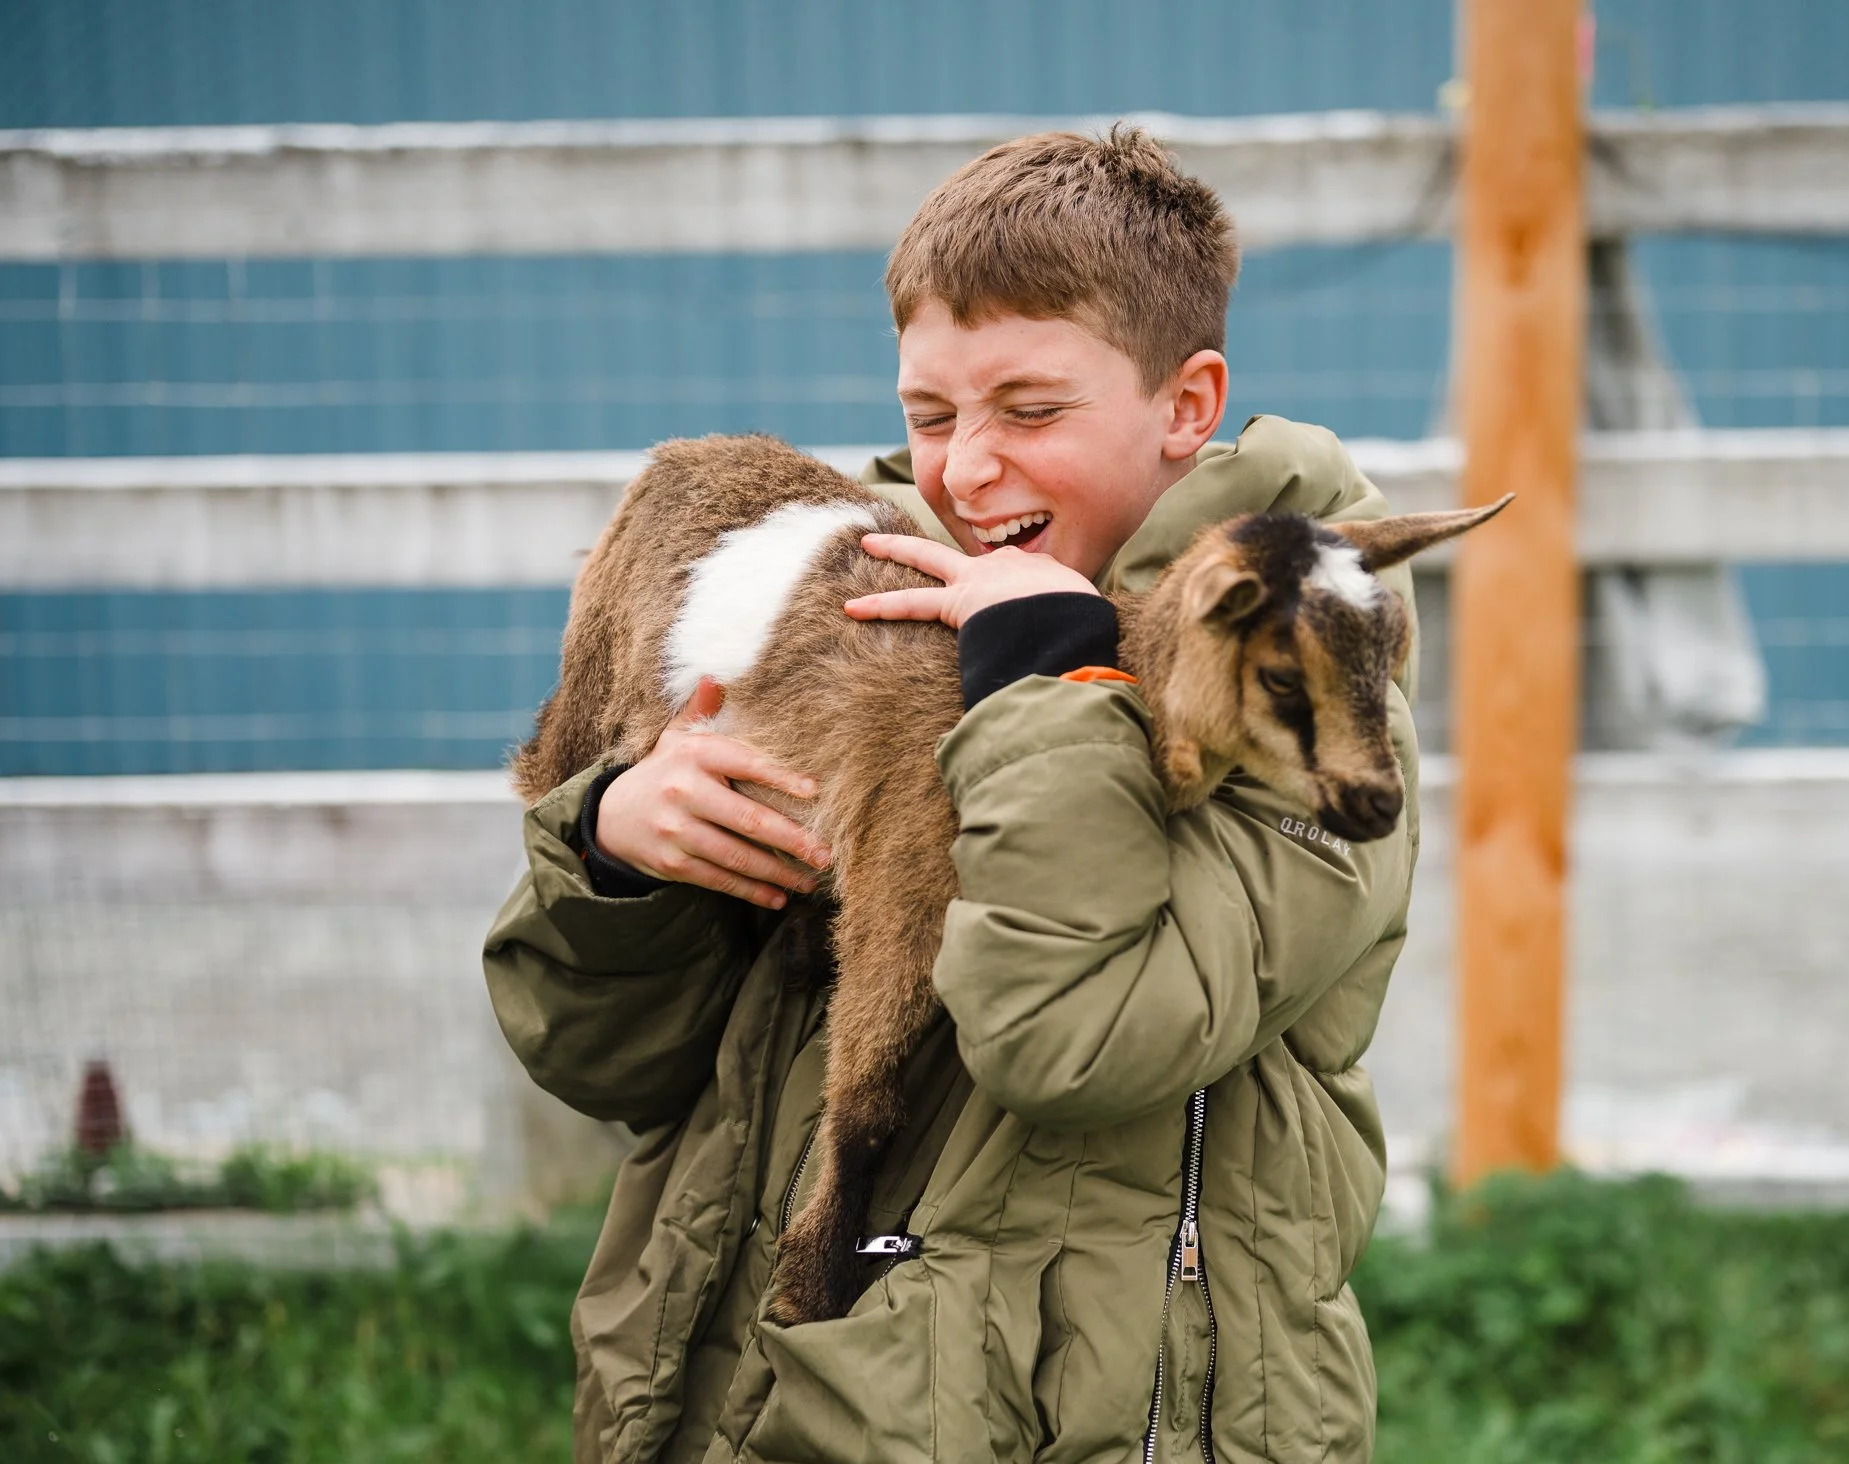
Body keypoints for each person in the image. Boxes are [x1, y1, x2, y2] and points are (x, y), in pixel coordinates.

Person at [484, 124, 1426, 1464]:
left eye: (1031, 411)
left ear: (1187, 405)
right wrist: (617, 854)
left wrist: (1046, 682)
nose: (969, 469)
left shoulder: (1305, 727)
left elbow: (1073, 1045)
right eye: (932, 416)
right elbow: (603, 1060)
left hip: (1103, 1427)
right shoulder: (852, 640)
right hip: (758, 1408)